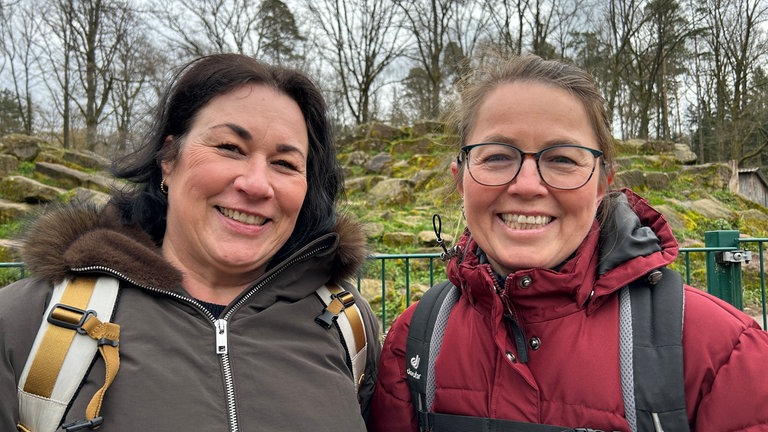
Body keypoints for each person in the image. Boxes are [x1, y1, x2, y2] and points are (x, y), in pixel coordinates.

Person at [368, 54, 768, 431]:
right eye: (496, 157)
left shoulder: (723, 354)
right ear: (460, 179)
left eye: (562, 159)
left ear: (601, 185)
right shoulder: (414, 340)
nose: (526, 186)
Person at [0, 53, 380, 431]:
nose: (256, 184)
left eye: (285, 163)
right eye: (230, 148)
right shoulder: (26, 323)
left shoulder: (349, 326)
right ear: (169, 158)